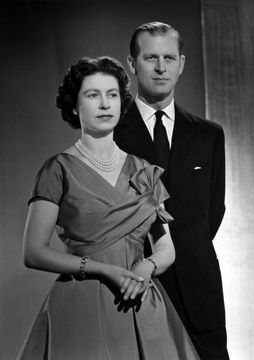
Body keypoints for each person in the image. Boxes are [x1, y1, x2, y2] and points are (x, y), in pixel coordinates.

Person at [17, 56, 200, 360]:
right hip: (82, 305)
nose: (105, 104)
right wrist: (103, 270)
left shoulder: (143, 170)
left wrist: (147, 267)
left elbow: (166, 248)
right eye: (93, 95)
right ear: (74, 106)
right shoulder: (57, 169)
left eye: (112, 95)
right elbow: (33, 252)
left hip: (140, 301)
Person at [114, 22, 230, 360]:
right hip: (134, 289)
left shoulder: (209, 135)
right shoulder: (111, 135)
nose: (161, 67)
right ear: (132, 65)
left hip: (200, 291)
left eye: (169, 57)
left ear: (182, 63)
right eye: (151, 57)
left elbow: (213, 213)